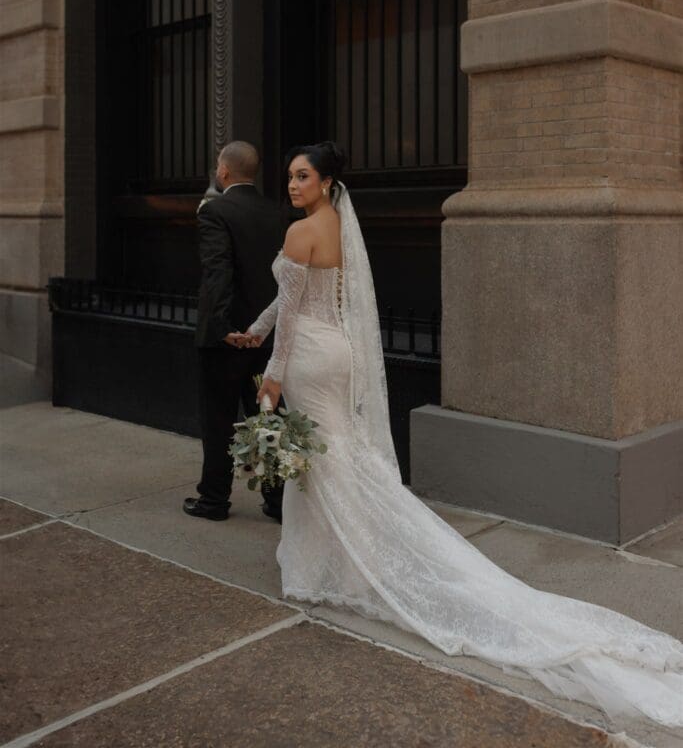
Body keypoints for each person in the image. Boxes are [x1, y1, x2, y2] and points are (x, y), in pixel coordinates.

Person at [229, 139, 683, 730]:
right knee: (334, 457)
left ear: (326, 181)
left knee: (325, 462)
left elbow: (291, 317)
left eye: (302, 177)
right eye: (289, 176)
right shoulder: (336, 224)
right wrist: (256, 333)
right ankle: (332, 561)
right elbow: (294, 303)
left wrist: (270, 381)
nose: (292, 186)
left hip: (310, 359)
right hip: (335, 353)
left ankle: (329, 566)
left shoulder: (299, 233)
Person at [184, 140, 283, 522]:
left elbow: (217, 271)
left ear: (223, 172)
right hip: (265, 335)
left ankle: (213, 500)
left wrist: (222, 327)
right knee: (268, 416)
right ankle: (276, 501)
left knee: (218, 418)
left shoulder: (215, 211)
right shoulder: (277, 212)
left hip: (228, 338)